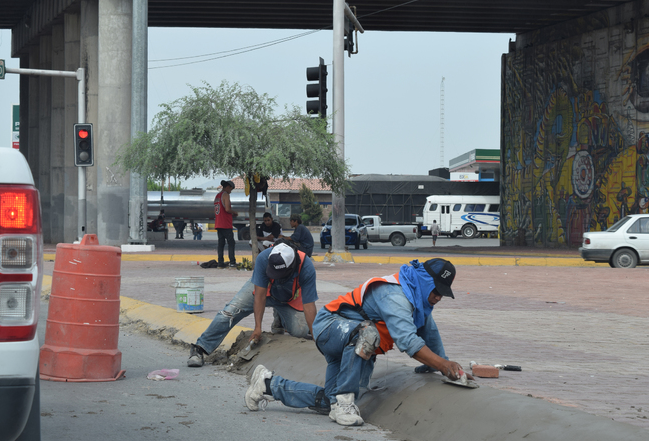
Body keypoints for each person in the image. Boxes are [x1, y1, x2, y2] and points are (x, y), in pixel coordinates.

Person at [243, 258, 472, 427]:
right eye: (436, 290)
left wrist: (447, 368)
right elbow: (408, 341)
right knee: (368, 335)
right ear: (424, 281)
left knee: (328, 401)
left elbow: (429, 334)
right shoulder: (394, 294)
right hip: (330, 328)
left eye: (443, 293)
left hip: (353, 345)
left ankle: (268, 384)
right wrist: (442, 364)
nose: (439, 297)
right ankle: (344, 400)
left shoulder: (419, 302)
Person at [187, 243, 318, 367]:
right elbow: (259, 296)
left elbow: (309, 306)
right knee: (230, 313)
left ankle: (280, 318)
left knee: (300, 330)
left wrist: (316, 337)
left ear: (292, 266)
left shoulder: (306, 267)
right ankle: (200, 348)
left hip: (286, 298)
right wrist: (257, 327)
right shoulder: (264, 258)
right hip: (263, 289)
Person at [215, 180, 238, 267]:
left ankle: (220, 262)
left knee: (221, 244)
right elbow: (227, 209)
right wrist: (234, 212)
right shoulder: (226, 195)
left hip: (218, 223)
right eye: (231, 189)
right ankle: (232, 262)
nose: (230, 192)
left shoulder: (217, 196)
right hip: (225, 223)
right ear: (228, 187)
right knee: (231, 243)